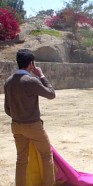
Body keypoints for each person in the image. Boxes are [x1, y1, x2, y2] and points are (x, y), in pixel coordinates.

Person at [4, 49, 56, 186]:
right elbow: (51, 94)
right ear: (31, 64)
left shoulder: (8, 82)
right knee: (46, 155)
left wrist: (19, 116)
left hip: (16, 126)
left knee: (21, 159)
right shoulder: (30, 81)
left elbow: (7, 109)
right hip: (33, 126)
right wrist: (42, 76)